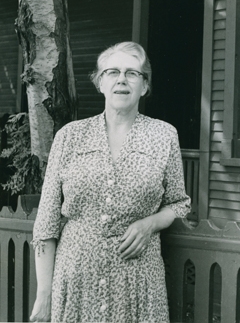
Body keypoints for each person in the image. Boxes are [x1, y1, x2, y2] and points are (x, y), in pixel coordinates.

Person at [30, 41, 191, 322]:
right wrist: (44, 295)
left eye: (132, 73)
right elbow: (46, 221)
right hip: (77, 282)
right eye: (112, 72)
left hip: (138, 284)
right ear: (100, 82)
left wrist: (149, 224)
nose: (122, 80)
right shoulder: (69, 137)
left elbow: (179, 204)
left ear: (144, 86)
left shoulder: (163, 136)